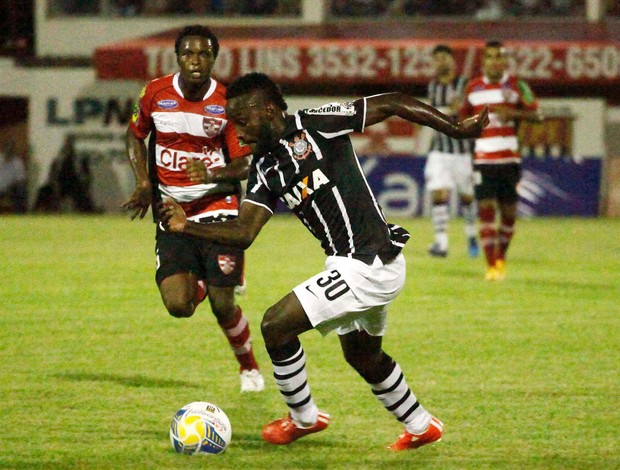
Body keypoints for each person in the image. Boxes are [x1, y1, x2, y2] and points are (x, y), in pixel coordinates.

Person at [159, 72, 489, 449]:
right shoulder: (266, 169)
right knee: (363, 356)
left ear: (268, 110)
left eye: (243, 122)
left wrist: (453, 127)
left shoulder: (316, 123)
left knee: (274, 324)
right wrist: (187, 227)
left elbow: (393, 101)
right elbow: (244, 233)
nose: (239, 133)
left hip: (369, 263)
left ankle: (303, 418)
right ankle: (421, 425)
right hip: (349, 265)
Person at [121, 25, 265, 392]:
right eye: (188, 54)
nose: (196, 61)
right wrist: (142, 182)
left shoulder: (228, 102)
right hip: (172, 212)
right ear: (178, 57)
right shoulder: (155, 92)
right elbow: (134, 135)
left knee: (222, 305)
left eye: (204, 54)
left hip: (218, 210)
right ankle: (213, 276)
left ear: (214, 58)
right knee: (178, 306)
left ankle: (248, 366)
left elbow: (245, 163)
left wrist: (213, 170)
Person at [460, 41, 542, 281]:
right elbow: (462, 118)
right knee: (485, 209)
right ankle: (491, 266)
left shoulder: (518, 86)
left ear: (505, 61)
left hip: (509, 159)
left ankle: (500, 258)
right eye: (491, 57)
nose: (495, 61)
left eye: (500, 57)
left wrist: (514, 114)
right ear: (483, 61)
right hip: (483, 159)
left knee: (508, 212)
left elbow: (538, 114)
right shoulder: (472, 88)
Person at [424, 44, 479, 258]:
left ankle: (472, 237)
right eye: (436, 59)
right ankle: (441, 243)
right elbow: (434, 115)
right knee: (438, 192)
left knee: (467, 197)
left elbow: (473, 114)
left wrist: (463, 108)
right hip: (439, 150)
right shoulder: (433, 87)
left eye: (444, 58)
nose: (440, 62)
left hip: (462, 151)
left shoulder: (466, 85)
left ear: (452, 61)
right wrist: (448, 110)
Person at [0, 142, 28, 213]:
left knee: (21, 190)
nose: (9, 151)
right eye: (7, 150)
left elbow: (21, 180)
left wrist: (11, 186)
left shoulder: (18, 163)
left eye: (11, 150)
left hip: (9, 189)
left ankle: (18, 215)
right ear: (3, 150)